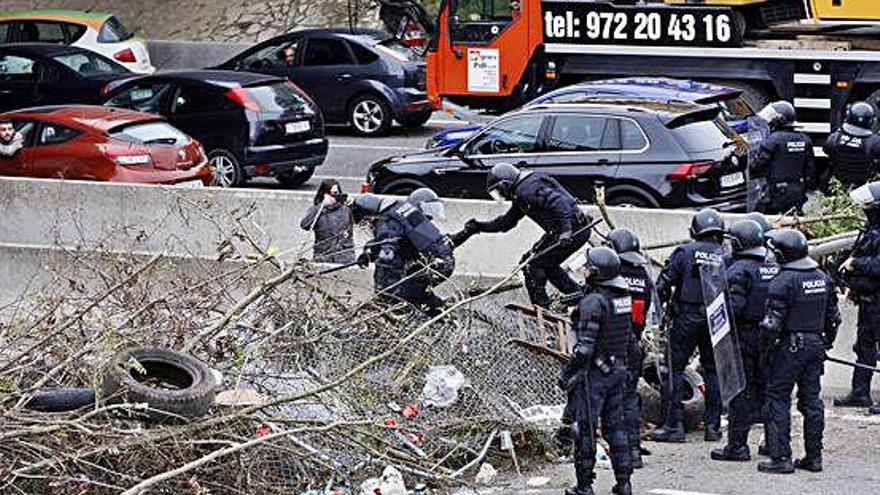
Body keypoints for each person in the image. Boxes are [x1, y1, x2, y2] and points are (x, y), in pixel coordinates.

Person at [758, 229, 840, 474]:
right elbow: (833, 318)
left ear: (785, 253)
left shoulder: (783, 281)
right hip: (815, 344)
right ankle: (814, 458)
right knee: (811, 401)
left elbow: (771, 325)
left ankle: (781, 458)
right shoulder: (822, 278)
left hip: (790, 346)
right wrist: (825, 344)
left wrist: (764, 350)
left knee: (777, 398)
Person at [465, 163, 592, 309]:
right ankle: (577, 296)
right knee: (540, 262)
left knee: (532, 264)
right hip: (568, 229)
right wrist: (479, 226)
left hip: (574, 230)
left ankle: (543, 307)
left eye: (498, 190)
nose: (500, 195)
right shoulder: (521, 193)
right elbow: (506, 223)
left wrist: (566, 231)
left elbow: (560, 203)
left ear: (505, 184)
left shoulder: (527, 189)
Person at [560, 247, 633, 495]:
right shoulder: (622, 297)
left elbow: (584, 349)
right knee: (617, 428)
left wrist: (567, 374)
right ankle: (624, 483)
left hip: (595, 375)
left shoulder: (595, 301)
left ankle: (584, 486)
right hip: (618, 369)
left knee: (585, 430)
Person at [649, 208, 726, 443]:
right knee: (713, 370)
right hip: (716, 317)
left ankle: (674, 426)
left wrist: (659, 315)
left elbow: (662, 285)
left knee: (674, 368)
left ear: (695, 230)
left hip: (687, 317)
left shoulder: (684, 252)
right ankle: (713, 427)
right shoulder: (727, 253)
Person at [711, 220, 779, 462]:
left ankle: (737, 446)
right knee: (770, 391)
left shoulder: (738, 271)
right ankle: (774, 445)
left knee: (741, 391)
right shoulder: (773, 266)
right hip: (771, 337)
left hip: (745, 337)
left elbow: (734, 308)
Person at [358, 188, 466, 316]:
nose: (428, 218)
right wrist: (369, 253)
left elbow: (387, 248)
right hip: (434, 266)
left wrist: (382, 289)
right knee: (416, 293)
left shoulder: (401, 224)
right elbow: (387, 243)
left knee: (400, 298)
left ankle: (426, 319)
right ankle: (438, 313)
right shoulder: (410, 227)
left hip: (430, 267)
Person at [605, 228, 652, 468]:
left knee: (612, 400)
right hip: (634, 343)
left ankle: (619, 452)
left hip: (613, 347)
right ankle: (633, 450)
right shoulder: (643, 276)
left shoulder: (612, 276)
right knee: (630, 398)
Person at [834, 182, 880, 412]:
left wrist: (856, 263)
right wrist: (855, 286)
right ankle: (860, 392)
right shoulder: (872, 230)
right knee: (864, 347)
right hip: (870, 298)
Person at [751, 101, 815, 214]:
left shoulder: (772, 140)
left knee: (762, 218)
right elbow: (810, 169)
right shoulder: (805, 139)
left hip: (776, 192)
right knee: (795, 220)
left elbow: (757, 166)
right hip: (798, 191)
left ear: (779, 120)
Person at [822, 101, 880, 189]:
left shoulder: (835, 138)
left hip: (837, 187)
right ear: (870, 121)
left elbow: (826, 150)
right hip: (863, 189)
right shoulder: (875, 142)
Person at [300, 179, 355, 264]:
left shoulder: (347, 209)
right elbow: (304, 225)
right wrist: (321, 206)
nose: (334, 197)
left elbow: (367, 216)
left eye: (336, 193)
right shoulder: (318, 210)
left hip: (344, 256)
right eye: (332, 194)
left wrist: (355, 202)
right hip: (324, 256)